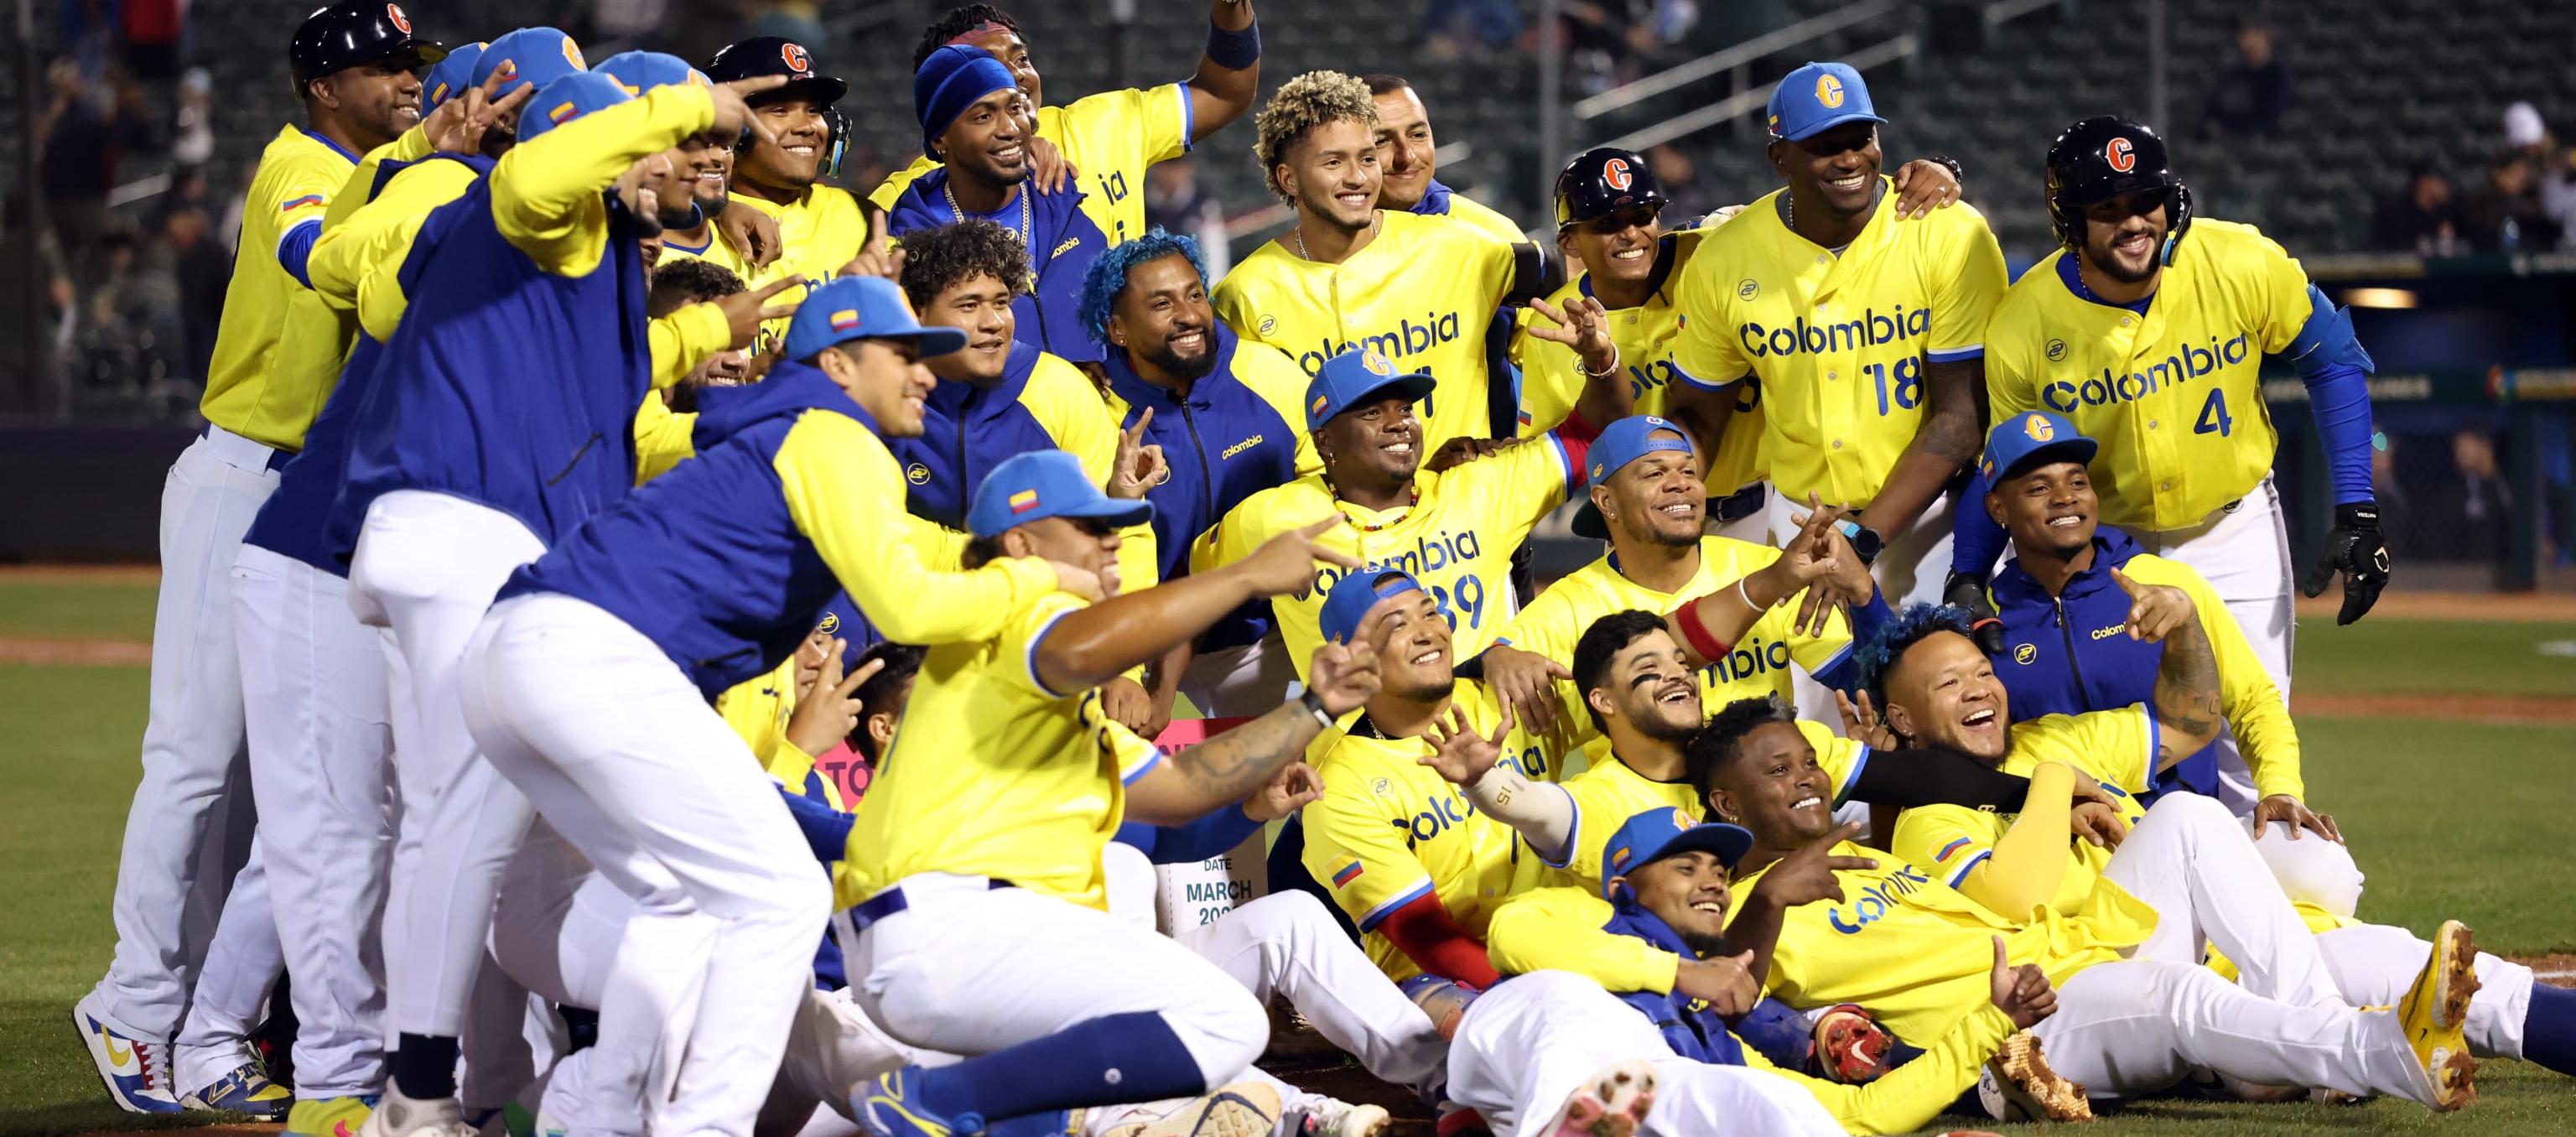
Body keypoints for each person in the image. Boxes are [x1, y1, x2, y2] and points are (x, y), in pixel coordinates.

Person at [458, 274, 1094, 1137]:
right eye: (905, 355)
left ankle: (579, 1113)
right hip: (591, 656)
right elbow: (908, 605)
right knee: (781, 898)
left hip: (517, 666)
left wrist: (1044, 568)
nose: (925, 376)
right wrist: (1034, 574)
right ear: (836, 363)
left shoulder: (790, 435)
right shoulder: (836, 436)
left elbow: (927, 552)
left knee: (695, 912)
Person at [331, 65, 778, 1137]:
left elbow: (608, 381)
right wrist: (683, 108)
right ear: (612, 138)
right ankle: (419, 1086)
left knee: (534, 862)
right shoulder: (544, 212)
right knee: (462, 814)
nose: (694, 166)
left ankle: (514, 1073)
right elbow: (537, 165)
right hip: (465, 529)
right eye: (668, 145)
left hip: (471, 543)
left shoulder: (597, 258)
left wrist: (718, 324)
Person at [75, 0, 441, 1118]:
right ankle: (133, 1006)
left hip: (312, 497)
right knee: (191, 758)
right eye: (381, 68)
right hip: (245, 477)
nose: (403, 81)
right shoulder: (302, 164)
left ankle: (208, 1016)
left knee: (271, 785)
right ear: (323, 86)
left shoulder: (381, 171)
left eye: (410, 63)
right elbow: (313, 256)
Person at [836, 454, 1384, 1137]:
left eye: (1116, 527)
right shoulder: (1005, 617)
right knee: (1222, 1019)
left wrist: (1316, 709)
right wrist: (1243, 576)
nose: (1112, 540)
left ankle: (969, 1108)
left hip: (949, 947)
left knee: (1069, 1084)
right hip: (944, 929)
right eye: (1089, 526)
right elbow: (1077, 649)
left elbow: (1182, 790)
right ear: (1021, 545)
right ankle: (931, 1100)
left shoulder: (1052, 706)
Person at [1862, 604, 2576, 1084]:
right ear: (1904, 716)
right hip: (2095, 989)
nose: (1978, 688)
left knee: (2400, 959)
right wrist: (2053, 793)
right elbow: (2017, 901)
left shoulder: (2051, 739)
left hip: (2203, 948)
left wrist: (2186, 633)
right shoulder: (1930, 816)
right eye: (1949, 683)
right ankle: (2322, 1030)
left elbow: (2193, 723)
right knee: (2185, 819)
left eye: (1984, 672)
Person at [1674, 698, 2483, 1111]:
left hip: (2082, 962)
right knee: (2181, 993)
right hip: (2028, 1030)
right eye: (1778, 772)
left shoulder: (1865, 857)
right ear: (1728, 805)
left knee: (2188, 817)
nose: (1808, 779)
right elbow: (1722, 987)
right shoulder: (1741, 907)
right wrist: (1770, 896)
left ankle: (2321, 1053)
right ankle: (2388, 1052)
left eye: (1809, 763)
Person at [1950, 116, 2389, 815]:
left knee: (2250, 753)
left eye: (2145, 199)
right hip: (2107, 551)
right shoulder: (2025, 321)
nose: (2134, 222)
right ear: (2071, 220)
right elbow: (2003, 468)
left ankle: (2269, 911)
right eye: (2107, 207)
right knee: (2131, 746)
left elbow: (2332, 360)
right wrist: (1968, 571)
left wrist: (2358, 509)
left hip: (2232, 529)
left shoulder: (2238, 260)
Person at [1453, 807, 2086, 1136]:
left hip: (1621, 1097)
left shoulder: (1705, 1033)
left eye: (1717, 870)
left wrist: (1992, 1021)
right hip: (1507, 1050)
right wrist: (1676, 972)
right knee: (1569, 999)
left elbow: (1860, 1112)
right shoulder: (1583, 914)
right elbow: (1513, 939)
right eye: (1683, 867)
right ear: (1624, 885)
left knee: (1765, 1096)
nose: (1711, 882)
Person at [1970, 411, 2361, 912]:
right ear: (1998, 507)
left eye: (2077, 482)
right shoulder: (1988, 623)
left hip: (2200, 837)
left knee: (2323, 868)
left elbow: (2255, 701)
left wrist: (2281, 787)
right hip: (2081, 855)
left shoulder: (2165, 583)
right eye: (2038, 488)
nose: (2065, 497)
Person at [1667, 61, 2002, 611]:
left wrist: (1862, 539)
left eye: (1861, 138)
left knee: (1948, 691)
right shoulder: (1724, 260)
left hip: (1936, 522)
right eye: (1826, 145)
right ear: (1780, 158)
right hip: (1801, 526)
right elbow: (1699, 415)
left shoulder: (1947, 232)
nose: (1851, 159)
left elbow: (1961, 418)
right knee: (1810, 699)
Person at [1193, 337, 1625, 690]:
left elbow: (1593, 434)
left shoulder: (1480, 486)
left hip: (1493, 748)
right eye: (1371, 412)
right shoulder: (1272, 518)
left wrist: (1600, 358)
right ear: (1324, 441)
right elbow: (1191, 590)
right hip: (1362, 770)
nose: (1399, 423)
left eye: (1405, 409)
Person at [1213, 70, 1551, 454]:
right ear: (1289, 179)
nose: (1358, 176)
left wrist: (1524, 457)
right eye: (1334, 162)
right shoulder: (1245, 295)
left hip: (1470, 493)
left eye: (1367, 158)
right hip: (1333, 508)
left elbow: (1556, 326)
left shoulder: (1469, 239)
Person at [1083, 230, 1322, 724]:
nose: (1189, 315)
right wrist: (1126, 671)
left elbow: (1326, 496)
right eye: (1161, 304)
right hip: (1145, 642)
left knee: (1296, 783)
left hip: (1267, 639)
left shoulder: (1266, 375)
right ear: (1117, 329)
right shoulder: (1093, 409)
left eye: (1195, 295)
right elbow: (1089, 553)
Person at [880, 220, 1160, 608]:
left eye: (1000, 303)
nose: (993, 323)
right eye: (968, 305)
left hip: (1046, 628)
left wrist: (1127, 658)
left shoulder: (1057, 391)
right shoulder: (878, 399)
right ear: (917, 314)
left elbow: (1117, 537)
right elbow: (872, 538)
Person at [870, 1, 1264, 247]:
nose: (1015, 76)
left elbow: (1226, 92)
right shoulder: (911, 198)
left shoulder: (1109, 121)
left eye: (1021, 60)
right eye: (986, 69)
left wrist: (1231, 6)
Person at [886, 45, 1110, 362]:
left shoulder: (1062, 197)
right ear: (939, 138)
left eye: (1015, 108)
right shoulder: (915, 240)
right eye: (984, 116)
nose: (1009, 129)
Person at [701, 35, 874, 314]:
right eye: (780, 111)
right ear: (732, 131)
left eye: (813, 110)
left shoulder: (863, 215)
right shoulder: (692, 229)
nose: (806, 127)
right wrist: (718, 208)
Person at [2196, 20, 2293, 138]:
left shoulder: (2278, 72)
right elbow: (2213, 111)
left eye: (2252, 34)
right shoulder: (2235, 74)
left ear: (2265, 36)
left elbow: (2273, 113)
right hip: (2231, 142)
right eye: (2243, 36)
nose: (2247, 41)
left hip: (2263, 141)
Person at [2370, 166, 2462, 255]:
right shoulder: (2392, 212)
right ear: (2423, 183)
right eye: (2441, 182)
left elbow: (2469, 244)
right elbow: (2380, 248)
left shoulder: (2451, 212)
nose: (2446, 187)